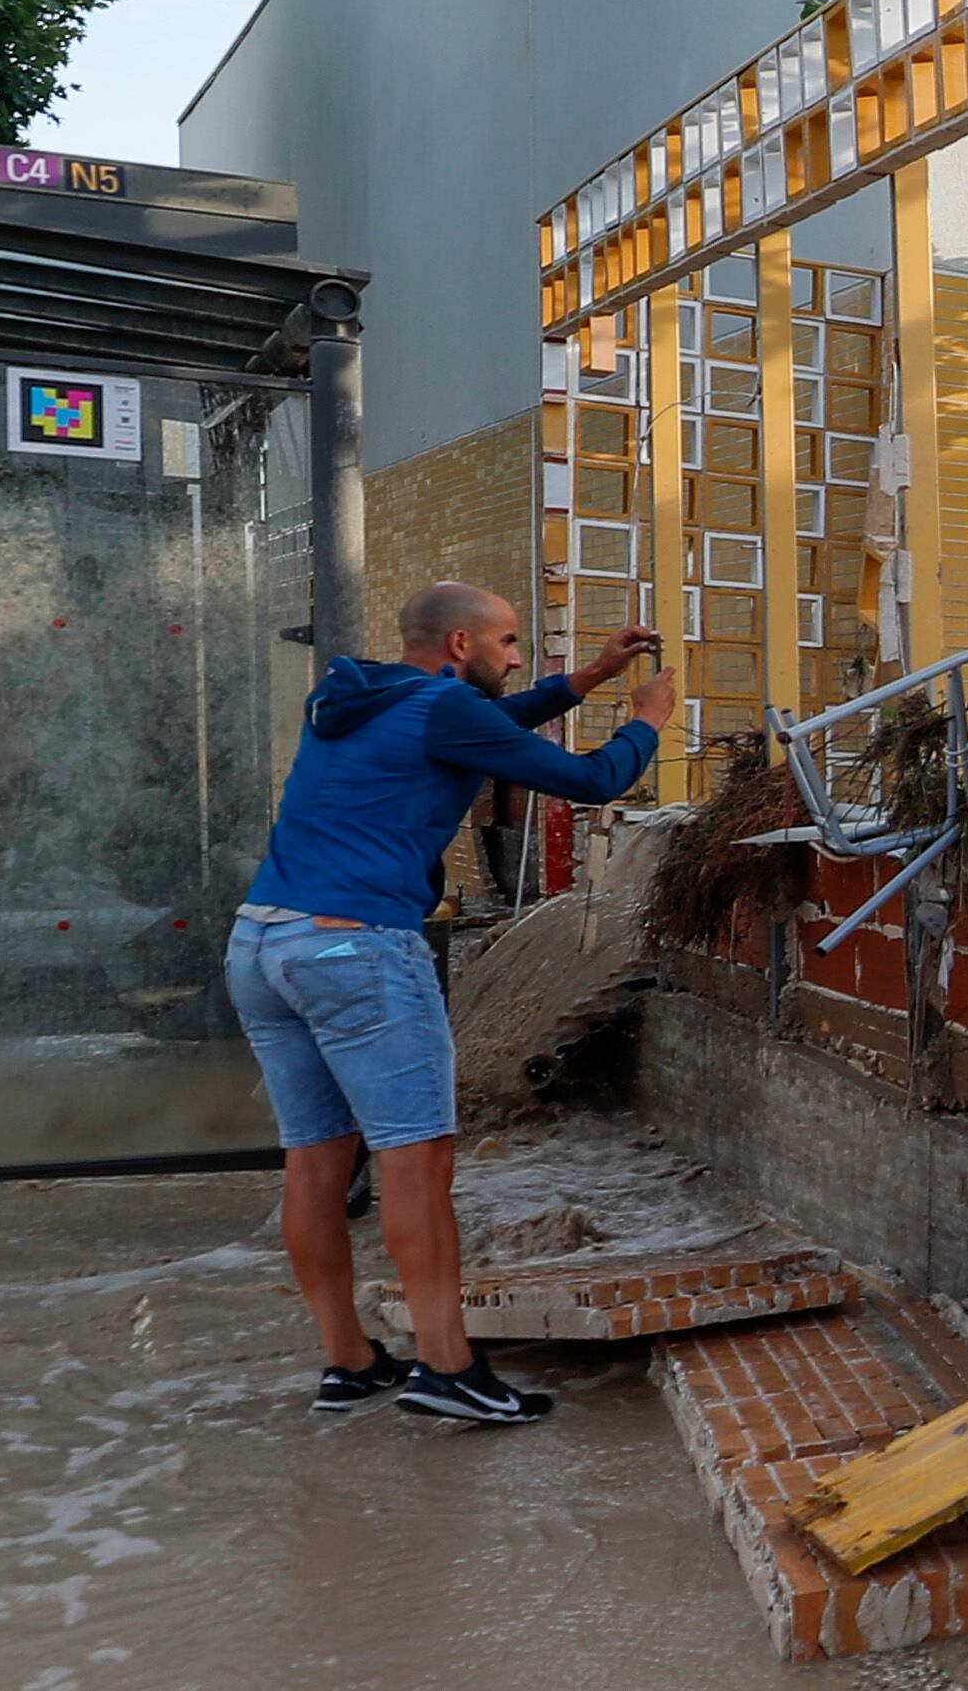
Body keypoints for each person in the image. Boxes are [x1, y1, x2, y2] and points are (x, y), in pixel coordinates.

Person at [227, 580, 673, 1424]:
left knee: (316, 1164)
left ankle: (349, 1362)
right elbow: (592, 781)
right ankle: (445, 1367)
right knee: (416, 1160)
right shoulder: (442, 709)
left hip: (261, 943)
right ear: (460, 647)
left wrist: (588, 677)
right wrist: (645, 713)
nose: (516, 657)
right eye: (507, 644)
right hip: (355, 947)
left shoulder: (356, 695)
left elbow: (485, 723)